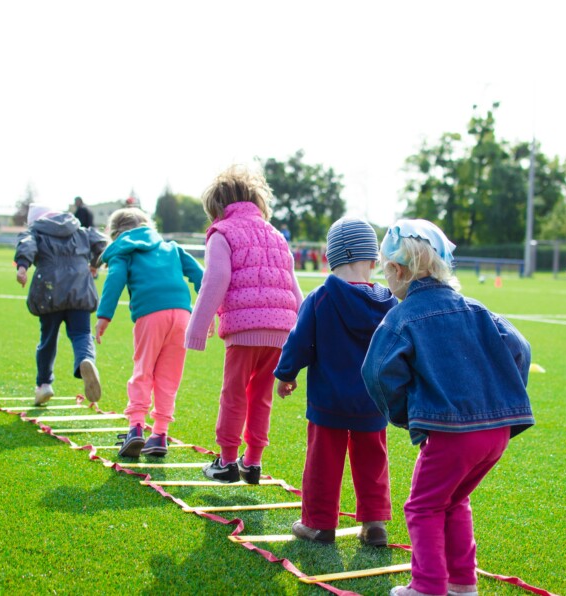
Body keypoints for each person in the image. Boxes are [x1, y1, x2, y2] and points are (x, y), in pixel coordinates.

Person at [361, 219, 534, 596]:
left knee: (422, 507)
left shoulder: (401, 317)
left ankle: (427, 587)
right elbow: (521, 348)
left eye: (386, 271)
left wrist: (405, 415)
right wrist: (503, 398)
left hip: (452, 434)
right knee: (454, 501)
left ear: (398, 270)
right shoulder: (476, 308)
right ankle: (462, 584)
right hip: (496, 434)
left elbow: (376, 371)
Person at [274, 217, 398, 546]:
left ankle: (319, 524)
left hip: (328, 400)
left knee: (323, 462)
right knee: (373, 461)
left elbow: (299, 342)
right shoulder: (390, 302)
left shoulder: (321, 297)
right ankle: (374, 523)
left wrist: (286, 374)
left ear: (330, 258)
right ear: (373, 260)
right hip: (373, 401)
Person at [185, 164, 303, 484]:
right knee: (261, 396)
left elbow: (216, 279)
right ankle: (252, 462)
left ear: (217, 207)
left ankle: (226, 461)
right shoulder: (276, 235)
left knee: (233, 394)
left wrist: (197, 329)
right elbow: (294, 288)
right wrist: (303, 337)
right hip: (281, 331)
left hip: (244, 328)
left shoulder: (222, 233)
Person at [94, 208, 204, 458]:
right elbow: (201, 276)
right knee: (169, 376)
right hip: (182, 315)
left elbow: (115, 279)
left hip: (151, 314)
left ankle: (136, 428)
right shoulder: (171, 247)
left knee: (143, 370)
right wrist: (208, 311)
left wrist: (104, 316)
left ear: (115, 233)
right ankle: (160, 434)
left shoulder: (123, 250)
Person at [15, 203, 107, 406]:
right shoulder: (79, 230)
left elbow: (27, 244)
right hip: (80, 289)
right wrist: (95, 264)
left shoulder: (36, 232)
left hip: (50, 292)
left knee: (48, 339)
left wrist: (22, 267)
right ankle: (86, 360)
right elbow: (102, 243)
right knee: (82, 334)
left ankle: (44, 384)